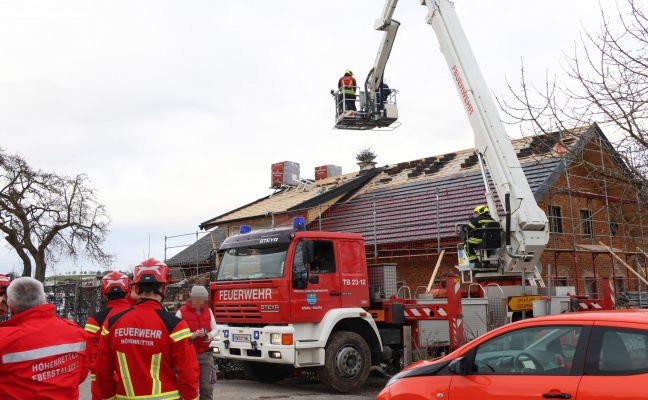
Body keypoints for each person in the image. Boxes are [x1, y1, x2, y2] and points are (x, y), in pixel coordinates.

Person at [95, 258, 199, 400]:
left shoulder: (111, 324)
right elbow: (188, 373)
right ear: (164, 288)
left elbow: (102, 371)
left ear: (136, 288)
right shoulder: (176, 326)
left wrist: (109, 397)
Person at [0, 277, 89, 400]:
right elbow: (80, 374)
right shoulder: (76, 332)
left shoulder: (5, 340)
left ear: (9, 306)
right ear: (45, 299)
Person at [84, 271, 132, 400]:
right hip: (134, 385)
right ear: (128, 292)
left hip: (102, 387)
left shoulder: (95, 320)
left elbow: (91, 356)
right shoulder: (140, 317)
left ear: (104, 295)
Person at [176, 285, 218, 400]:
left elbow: (215, 329)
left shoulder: (208, 311)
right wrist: (193, 335)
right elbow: (176, 335)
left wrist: (209, 335)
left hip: (205, 355)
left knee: (207, 389)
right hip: (188, 356)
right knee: (188, 389)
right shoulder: (181, 312)